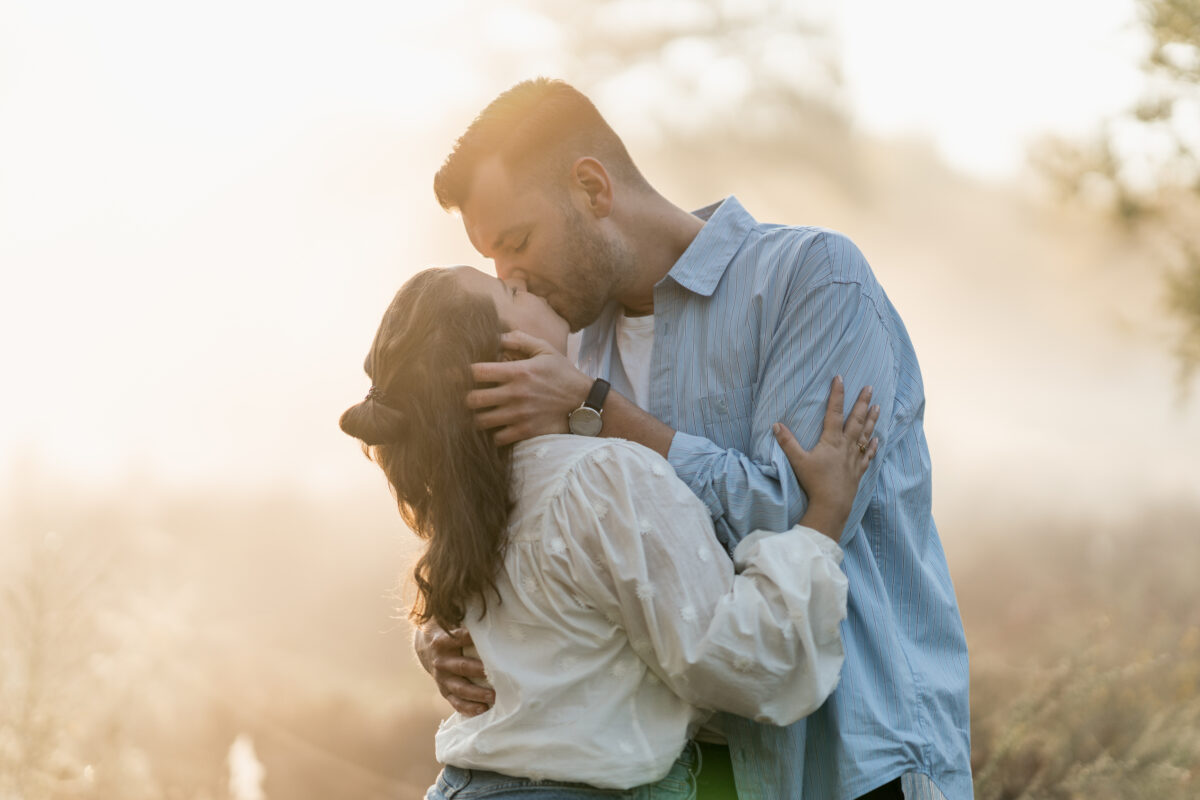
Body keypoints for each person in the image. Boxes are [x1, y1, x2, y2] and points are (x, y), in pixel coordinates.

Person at [418, 79, 973, 799]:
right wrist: (447, 634)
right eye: (493, 261)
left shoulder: (813, 279)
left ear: (591, 187)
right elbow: (519, 526)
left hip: (845, 764)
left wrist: (598, 408)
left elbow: (795, 517)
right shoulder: (566, 346)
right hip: (687, 779)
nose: (510, 277)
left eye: (518, 242)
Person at [340, 265, 882, 798]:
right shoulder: (605, 476)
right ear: (510, 359)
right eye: (509, 290)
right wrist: (824, 518)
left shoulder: (469, 500)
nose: (523, 278)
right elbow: (735, 661)